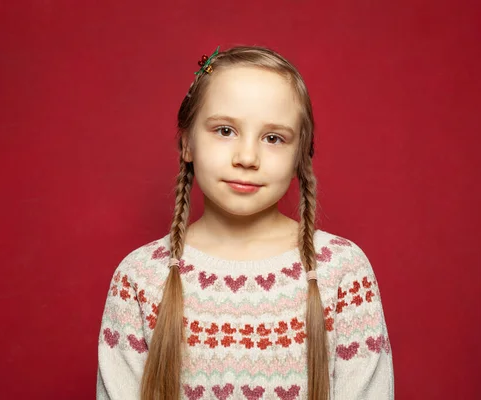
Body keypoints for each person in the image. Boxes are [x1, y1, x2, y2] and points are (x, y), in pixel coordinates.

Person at [96, 45, 394, 400]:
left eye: (273, 138)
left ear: (300, 155)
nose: (247, 157)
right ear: (187, 143)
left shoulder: (343, 273)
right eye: (224, 130)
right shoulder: (139, 278)